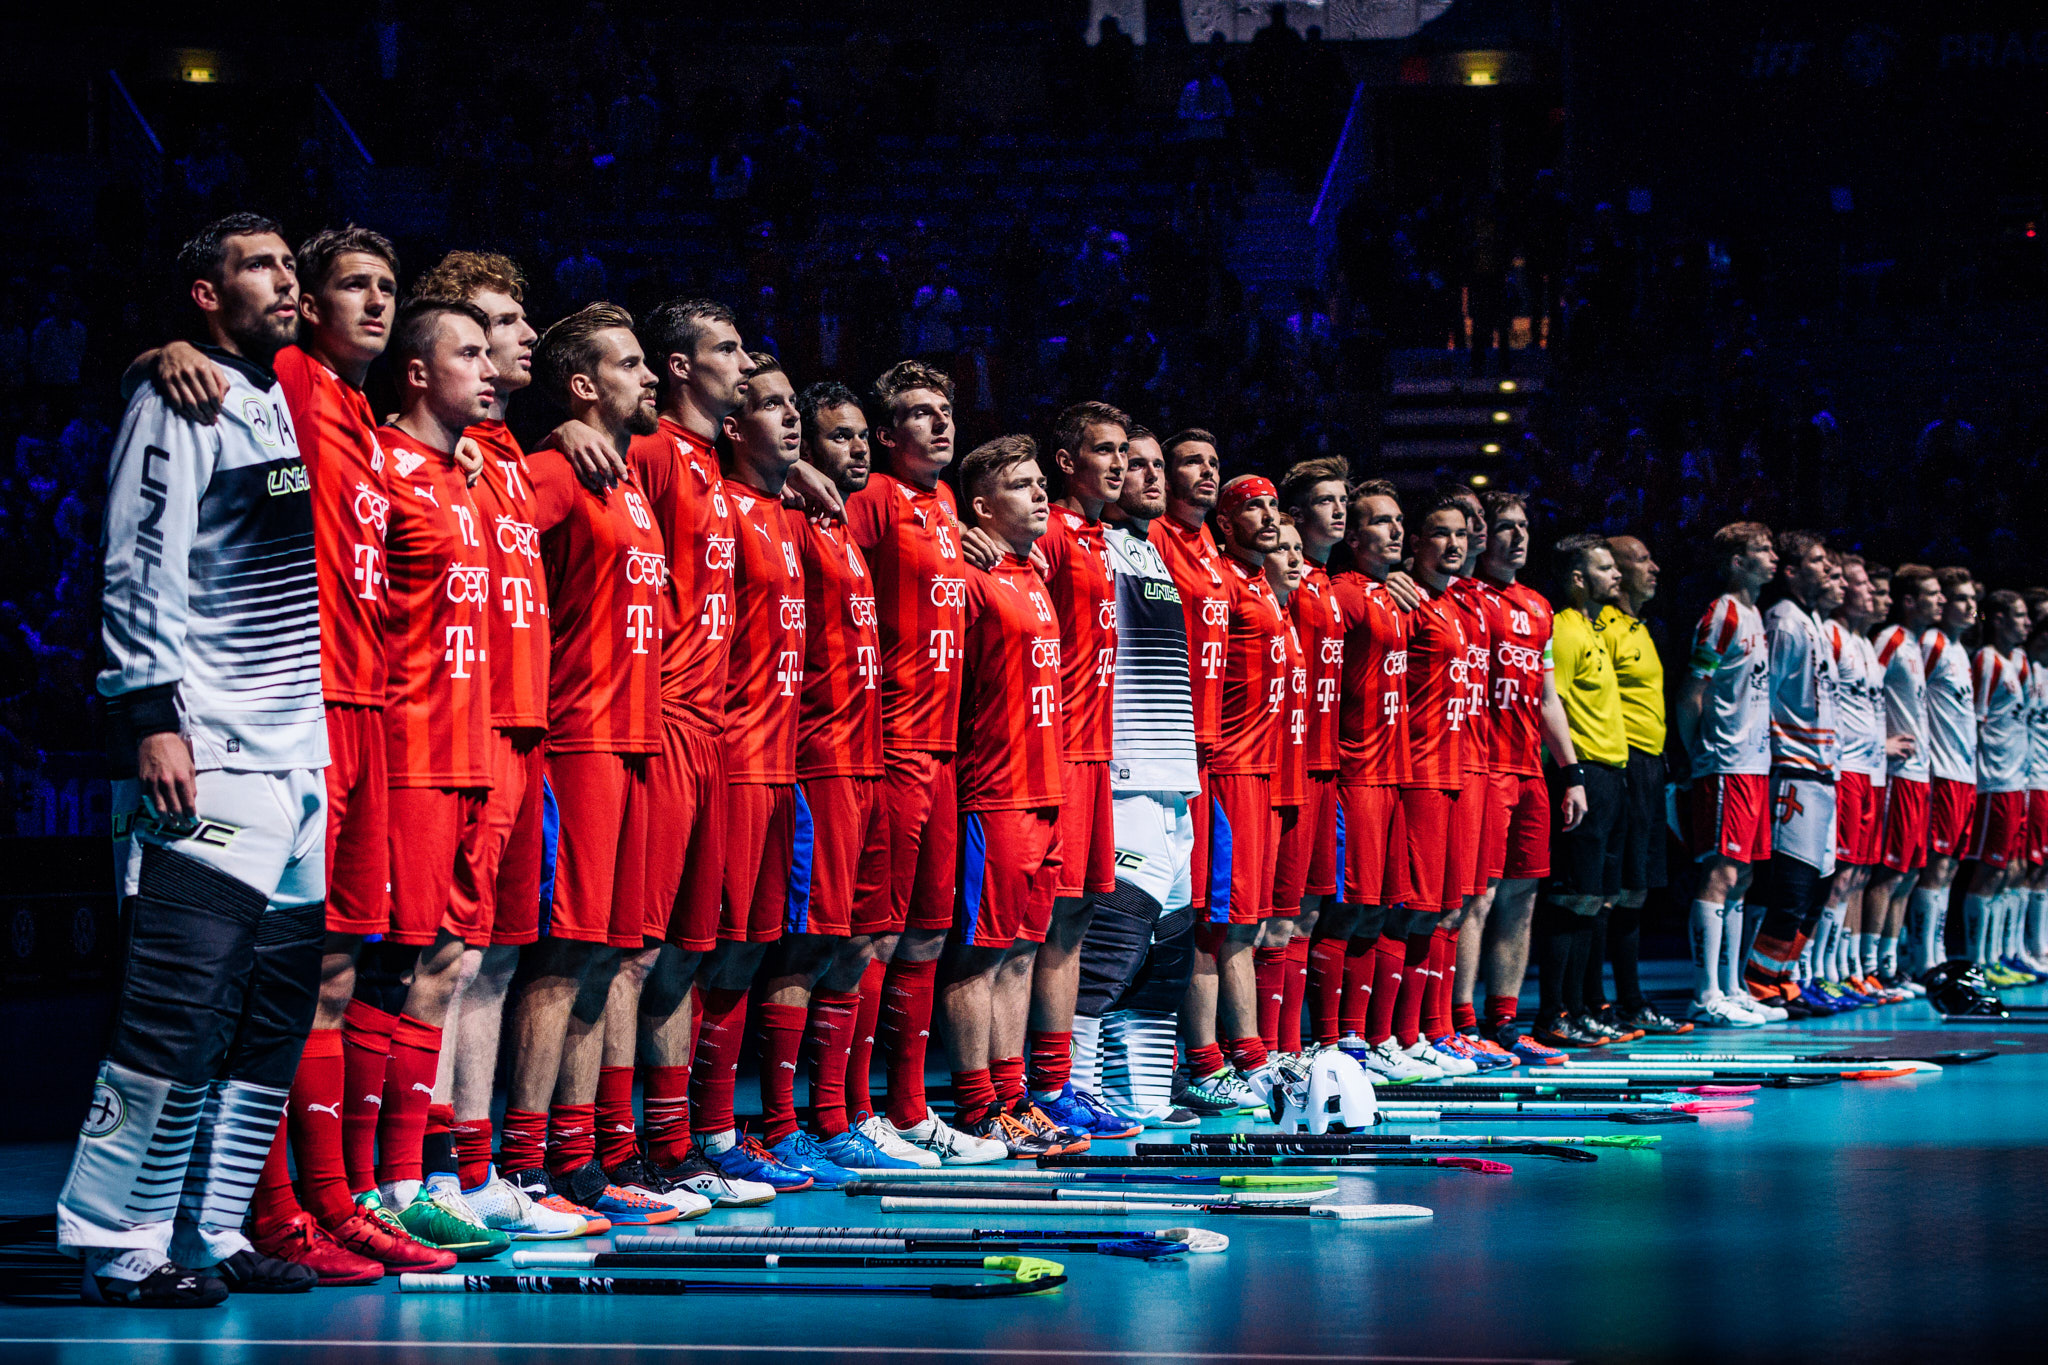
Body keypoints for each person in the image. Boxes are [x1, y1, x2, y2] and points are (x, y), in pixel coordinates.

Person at [133, 227, 443, 1280]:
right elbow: (203, 368)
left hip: (348, 717)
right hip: (275, 717)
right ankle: (256, 1215)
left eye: (388, 286)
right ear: (306, 306)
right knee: (262, 978)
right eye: (353, 285)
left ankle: (311, 1203)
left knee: (329, 973)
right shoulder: (298, 379)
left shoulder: (350, 410)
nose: (377, 302)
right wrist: (162, 352)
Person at [64, 214, 329, 1305]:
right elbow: (138, 561)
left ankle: (210, 1228)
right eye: (259, 266)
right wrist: (149, 716)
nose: (286, 281)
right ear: (207, 295)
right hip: (207, 746)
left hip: (297, 757)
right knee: (176, 1006)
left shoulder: (270, 395)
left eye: (289, 264)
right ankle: (116, 1239)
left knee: (267, 1014)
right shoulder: (178, 400)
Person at [504, 302, 700, 1226]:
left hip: (636, 742)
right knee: (560, 959)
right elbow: (490, 532)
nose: (650, 376)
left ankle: (578, 1159)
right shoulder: (557, 470)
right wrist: (541, 441)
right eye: (630, 364)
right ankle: (520, 1163)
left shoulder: (624, 479)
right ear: (583, 385)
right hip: (577, 738)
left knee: (607, 958)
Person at [843, 362, 1007, 1165]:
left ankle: (908, 1110)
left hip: (944, 751)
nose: (940, 423)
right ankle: (850, 1112)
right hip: (891, 744)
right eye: (919, 412)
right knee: (871, 937)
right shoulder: (872, 498)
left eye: (945, 409)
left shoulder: (943, 504)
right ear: (885, 434)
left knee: (926, 936)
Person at [771, 381, 932, 1170]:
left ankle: (845, 1117)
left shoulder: (842, 523)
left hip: (869, 757)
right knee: (806, 946)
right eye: (840, 436)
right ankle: (780, 1124)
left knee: (861, 938)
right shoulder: (799, 517)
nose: (858, 447)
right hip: (819, 757)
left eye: (863, 434)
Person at [946, 435, 1079, 1156]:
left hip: (1045, 788)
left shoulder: (1032, 573)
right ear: (981, 506)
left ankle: (1012, 1097)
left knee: (1024, 952)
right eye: (1022, 486)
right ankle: (976, 1106)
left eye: (1040, 483)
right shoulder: (971, 576)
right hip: (994, 792)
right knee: (982, 956)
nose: (1039, 495)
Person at [1026, 402, 1142, 1139]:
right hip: (1056, 751)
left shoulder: (1103, 538)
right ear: (1067, 462)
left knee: (1074, 920)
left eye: (1124, 451)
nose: (1119, 464)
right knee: (1042, 923)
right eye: (1105, 450)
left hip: (1097, 752)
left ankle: (1056, 1080)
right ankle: (1028, 1084)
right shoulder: (1053, 533)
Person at [1086, 426, 1203, 1127]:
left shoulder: (1152, 547)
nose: (1152, 475)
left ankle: (1145, 1095)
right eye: (1136, 464)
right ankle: (1076, 1088)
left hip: (1173, 777)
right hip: (1122, 772)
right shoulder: (1087, 541)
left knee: (1170, 948)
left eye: (1160, 464)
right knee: (1111, 945)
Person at [1178, 474, 1289, 1108]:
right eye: (1253, 507)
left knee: (1247, 925)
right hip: (1224, 772)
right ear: (1223, 523)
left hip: (1261, 773)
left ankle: (1251, 1056)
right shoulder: (1217, 578)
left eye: (1273, 505)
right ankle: (1204, 1062)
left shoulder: (1260, 583)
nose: (1268, 516)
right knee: (1213, 927)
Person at [1471, 491, 1587, 1063]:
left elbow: (1548, 699)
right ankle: (1458, 1022)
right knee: (1478, 897)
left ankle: (1504, 1022)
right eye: (1504, 527)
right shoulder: (1467, 599)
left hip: (1528, 771)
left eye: (1523, 526)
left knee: (1522, 897)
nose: (1517, 537)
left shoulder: (1538, 607)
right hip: (1480, 768)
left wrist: (1571, 772)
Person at [1326, 483, 1423, 1076]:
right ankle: (1332, 1041)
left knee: (1384, 910)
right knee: (1348, 912)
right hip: (1355, 771)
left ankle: (1367, 1039)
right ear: (1354, 536)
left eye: (1398, 520)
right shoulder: (1345, 595)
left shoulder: (1392, 595)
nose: (1395, 530)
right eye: (1381, 522)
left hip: (1393, 773)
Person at [1675, 522, 1780, 1026]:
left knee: (1745, 876)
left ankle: (1733, 988)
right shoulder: (1723, 614)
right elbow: (1691, 692)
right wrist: (1699, 753)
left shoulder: (1755, 614)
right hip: (1725, 764)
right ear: (1737, 562)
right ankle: (1706, 994)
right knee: (1721, 873)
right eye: (1763, 549)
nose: (1774, 556)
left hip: (1755, 763)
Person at [1741, 532, 1844, 1014]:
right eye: (1819, 561)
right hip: (1795, 769)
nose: (1828, 571)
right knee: (1791, 885)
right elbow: (1767, 693)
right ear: (1792, 571)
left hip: (1824, 771)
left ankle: (1784, 978)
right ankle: (1758, 980)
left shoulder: (1813, 622)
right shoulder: (1783, 621)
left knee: (1818, 886)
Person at [1594, 534, 1691, 1034]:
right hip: (1620, 763)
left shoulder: (1645, 628)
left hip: (1652, 765)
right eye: (1642, 559)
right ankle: (1595, 1002)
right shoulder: (1603, 627)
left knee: (1638, 888)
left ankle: (1631, 1001)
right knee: (1608, 890)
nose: (1654, 567)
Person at [1537, 534, 1630, 1047]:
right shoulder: (1565, 631)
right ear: (1577, 578)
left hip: (1611, 773)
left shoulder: (1595, 629)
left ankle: (1580, 1009)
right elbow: (1552, 705)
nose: (1616, 575)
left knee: (1594, 900)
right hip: (1584, 774)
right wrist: (1570, 777)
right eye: (1604, 568)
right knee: (1572, 898)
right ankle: (1554, 1012)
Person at [1272, 459, 1348, 1061]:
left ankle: (1298, 1049)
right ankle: (1265, 1051)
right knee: (1274, 915)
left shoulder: (1331, 586)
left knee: (1309, 911)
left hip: (1326, 766)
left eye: (1343, 499)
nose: (1339, 510)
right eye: (1326, 500)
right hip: (1282, 768)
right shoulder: (1279, 585)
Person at [1818, 554, 1909, 1005]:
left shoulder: (1865, 645)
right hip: (1845, 770)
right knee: (1838, 876)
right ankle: (1816, 971)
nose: (1876, 596)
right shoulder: (1832, 635)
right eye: (1868, 587)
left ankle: (1848, 969)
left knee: (1857, 875)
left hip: (1871, 773)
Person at [1866, 565, 1943, 995]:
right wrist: (1881, 742)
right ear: (1909, 601)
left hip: (1919, 773)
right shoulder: (1891, 639)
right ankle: (1869, 967)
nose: (1941, 601)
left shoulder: (1915, 644)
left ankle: (1890, 965)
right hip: (1896, 774)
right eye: (1932, 594)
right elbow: (1863, 692)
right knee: (1889, 873)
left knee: (1910, 872)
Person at [1907, 568, 1979, 975]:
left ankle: (1936, 954)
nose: (1970, 606)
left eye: (1972, 599)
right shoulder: (1930, 643)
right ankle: (1923, 960)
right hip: (1941, 772)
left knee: (1949, 867)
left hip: (1965, 774)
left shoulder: (1958, 649)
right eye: (1962, 599)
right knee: (1933, 866)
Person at [1964, 589, 2035, 983]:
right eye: (2020, 615)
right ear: (1999, 619)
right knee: (1989, 870)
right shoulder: (1987, 661)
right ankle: (1977, 961)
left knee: (2009, 870)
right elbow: (1976, 721)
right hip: (1994, 781)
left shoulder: (2018, 662)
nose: (2028, 623)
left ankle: (1998, 956)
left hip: (2017, 780)